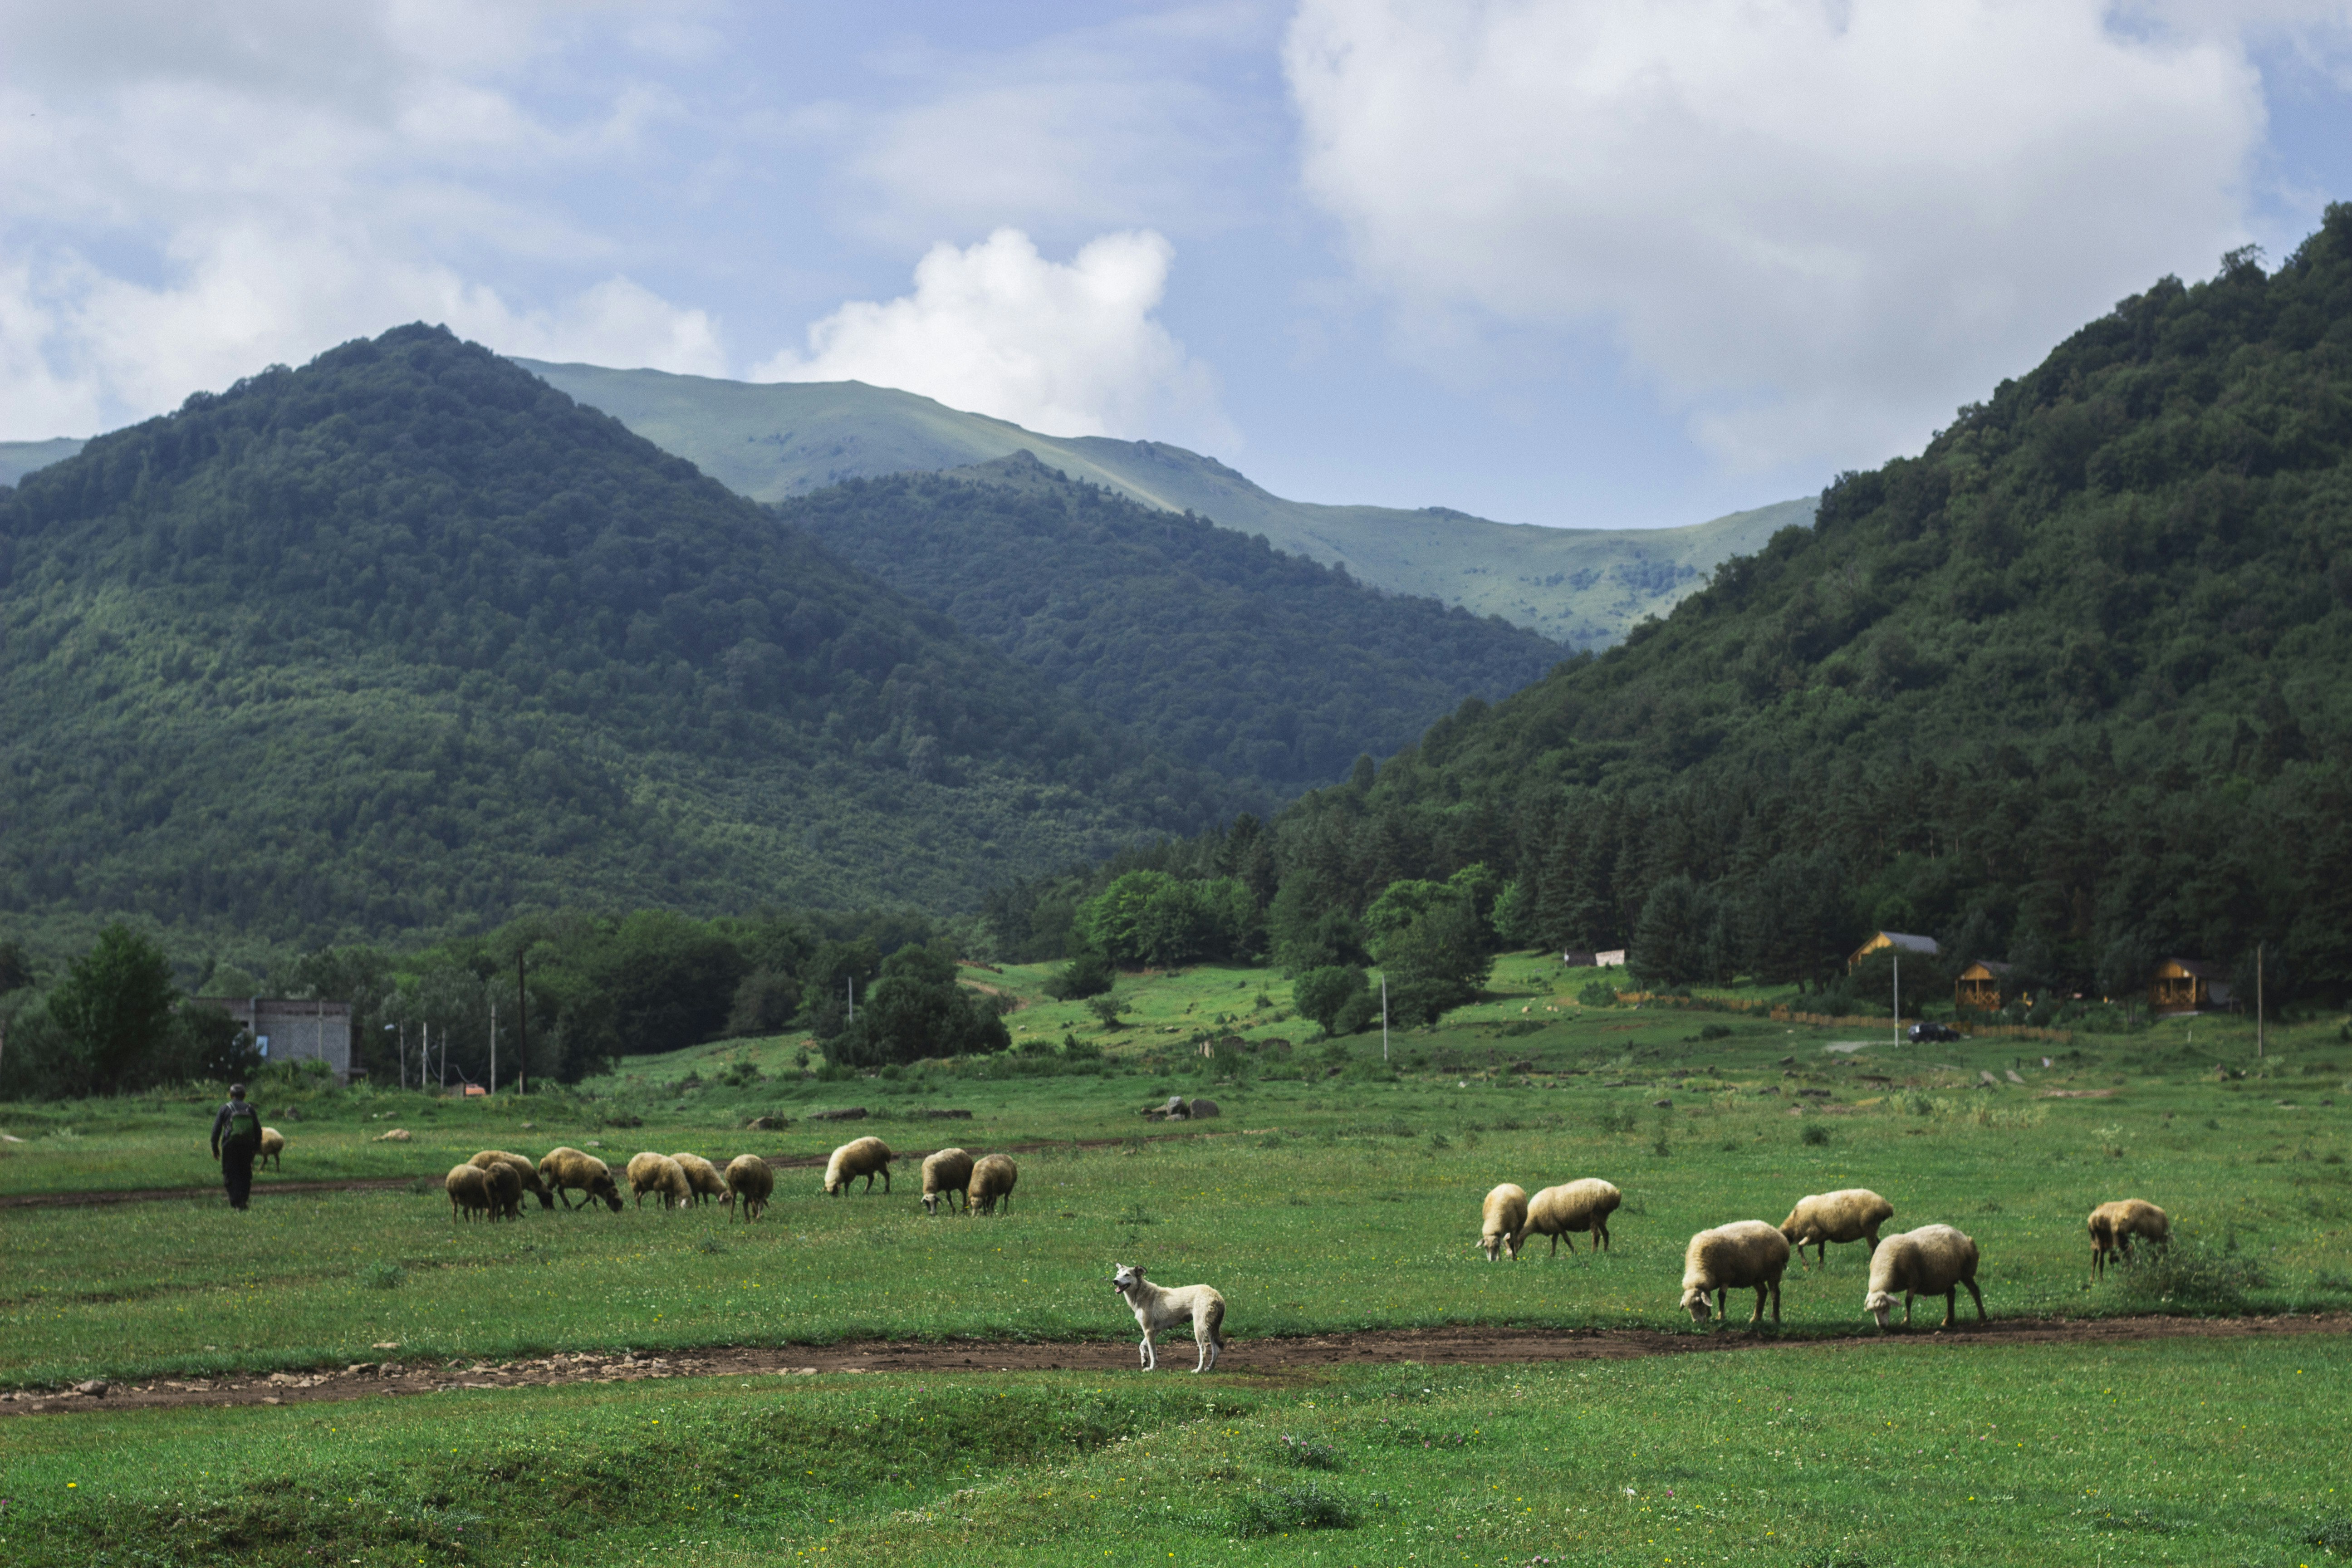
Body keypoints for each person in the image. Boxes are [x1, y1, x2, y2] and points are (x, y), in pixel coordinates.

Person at [210, 1082, 264, 1210]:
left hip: (230, 1146)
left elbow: (216, 1130)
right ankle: (243, 1200)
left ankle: (236, 1202)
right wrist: (255, 1148)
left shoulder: (225, 1108)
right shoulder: (250, 1109)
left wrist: (215, 1147)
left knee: (230, 1173)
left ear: (231, 1095)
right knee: (245, 1173)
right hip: (247, 1146)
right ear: (245, 1096)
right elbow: (258, 1131)